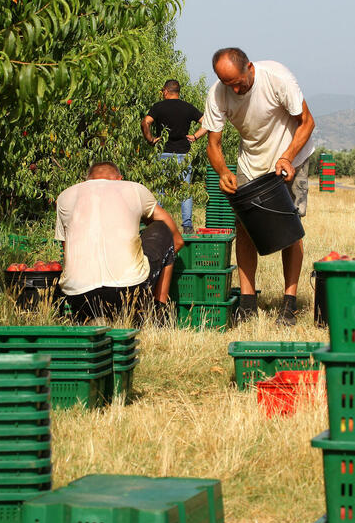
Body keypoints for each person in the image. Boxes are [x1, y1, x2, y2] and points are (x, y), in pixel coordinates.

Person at [203, 47, 316, 325]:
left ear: (249, 67)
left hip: (292, 154)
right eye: (227, 84)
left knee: (290, 228)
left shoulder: (277, 78)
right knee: (243, 227)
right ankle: (247, 302)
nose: (234, 89)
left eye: (238, 82)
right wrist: (223, 171)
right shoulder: (218, 93)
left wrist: (287, 157)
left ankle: (289, 304)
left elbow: (307, 122)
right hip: (251, 161)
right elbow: (213, 144)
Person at [55, 161, 185, 324]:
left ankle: (95, 316)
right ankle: (158, 313)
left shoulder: (65, 197)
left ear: (85, 181)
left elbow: (68, 255)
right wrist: (165, 257)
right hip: (126, 292)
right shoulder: (134, 189)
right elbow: (177, 239)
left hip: (78, 297)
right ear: (120, 179)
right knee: (162, 228)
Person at [141, 79, 208, 234]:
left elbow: (145, 123)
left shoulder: (158, 107)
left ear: (166, 91)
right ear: (178, 91)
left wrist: (150, 140)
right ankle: (187, 226)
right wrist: (195, 136)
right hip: (183, 154)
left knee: (161, 190)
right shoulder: (188, 108)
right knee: (185, 191)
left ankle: (158, 224)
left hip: (163, 153)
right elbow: (207, 122)